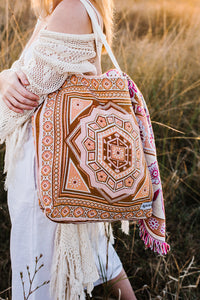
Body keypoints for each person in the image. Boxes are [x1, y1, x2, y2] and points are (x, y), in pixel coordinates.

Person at [0, 0, 137, 299]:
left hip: (50, 169)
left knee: (39, 275)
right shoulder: (59, 11)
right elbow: (22, 77)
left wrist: (4, 80)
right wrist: (7, 78)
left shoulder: (72, 9)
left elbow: (24, 97)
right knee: (93, 250)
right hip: (63, 162)